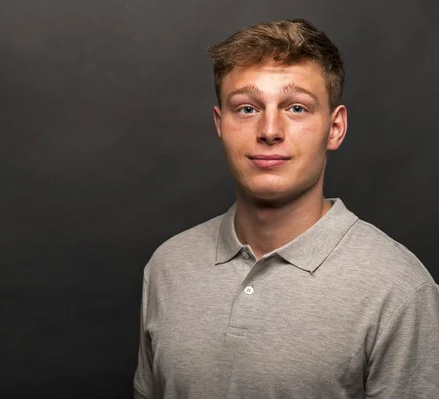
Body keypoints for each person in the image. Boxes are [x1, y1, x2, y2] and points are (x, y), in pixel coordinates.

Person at [133, 18, 439, 399]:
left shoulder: (399, 290)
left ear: (335, 128)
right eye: (246, 108)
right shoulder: (168, 265)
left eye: (296, 107)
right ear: (219, 124)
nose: (270, 130)